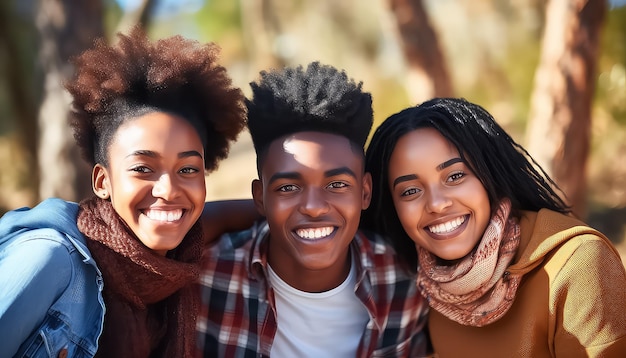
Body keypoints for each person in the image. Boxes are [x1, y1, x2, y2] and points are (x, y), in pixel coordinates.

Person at [0, 28, 248, 357]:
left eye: (188, 170)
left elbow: (217, 217)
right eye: (143, 169)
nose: (168, 189)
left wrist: (284, 208)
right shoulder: (51, 261)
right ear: (103, 181)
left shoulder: (174, 259)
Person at [196, 62, 430, 357]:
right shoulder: (207, 274)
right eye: (288, 188)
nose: (314, 208)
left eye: (337, 185)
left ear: (365, 192)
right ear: (260, 198)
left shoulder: (407, 277)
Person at [362, 97, 626, 357]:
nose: (437, 204)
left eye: (455, 176)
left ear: (489, 174)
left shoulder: (578, 264)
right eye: (409, 191)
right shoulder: (422, 288)